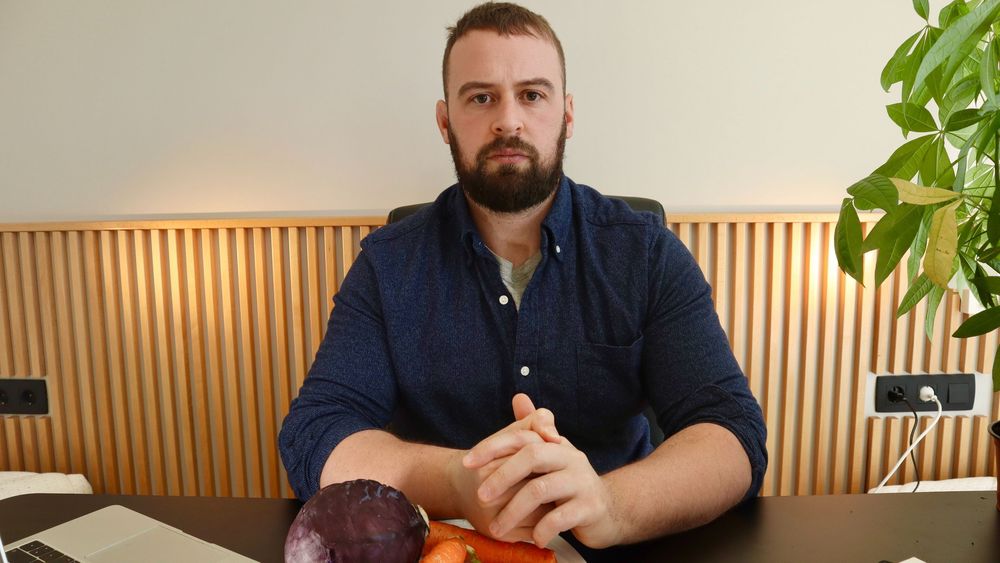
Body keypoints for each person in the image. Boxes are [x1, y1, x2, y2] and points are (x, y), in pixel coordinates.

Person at [279, 1, 766, 556]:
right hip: (449, 549)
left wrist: (609, 505)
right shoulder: (388, 265)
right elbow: (315, 431)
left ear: (567, 114)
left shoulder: (647, 254)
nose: (508, 119)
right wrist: (461, 483)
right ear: (444, 122)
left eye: (532, 95)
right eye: (481, 97)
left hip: (621, 546)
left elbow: (733, 435)